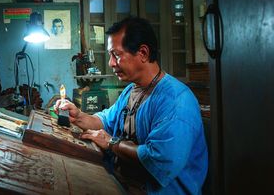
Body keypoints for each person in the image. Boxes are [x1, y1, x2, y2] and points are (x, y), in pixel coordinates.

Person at [55, 17, 208, 194]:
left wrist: (112, 143)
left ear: (143, 53)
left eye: (117, 55)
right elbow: (106, 121)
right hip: (123, 184)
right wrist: (79, 116)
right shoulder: (131, 90)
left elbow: (159, 158)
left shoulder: (175, 100)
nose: (111, 63)